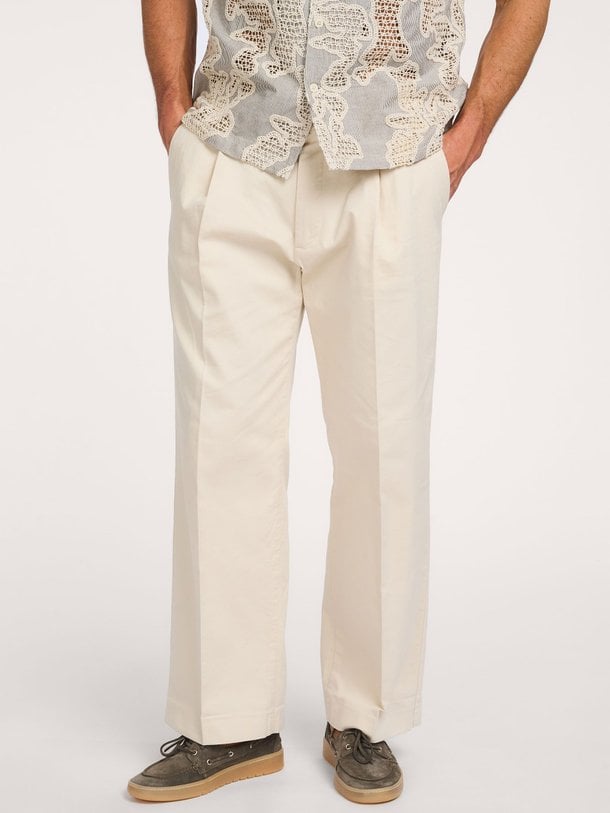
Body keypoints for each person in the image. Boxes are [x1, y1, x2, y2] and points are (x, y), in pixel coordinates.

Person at [127, 0, 550, 804]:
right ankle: (227, 719)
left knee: (382, 451)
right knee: (219, 446)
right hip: (235, 143)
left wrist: (472, 132)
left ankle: (364, 715)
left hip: (391, 157)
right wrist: (173, 105)